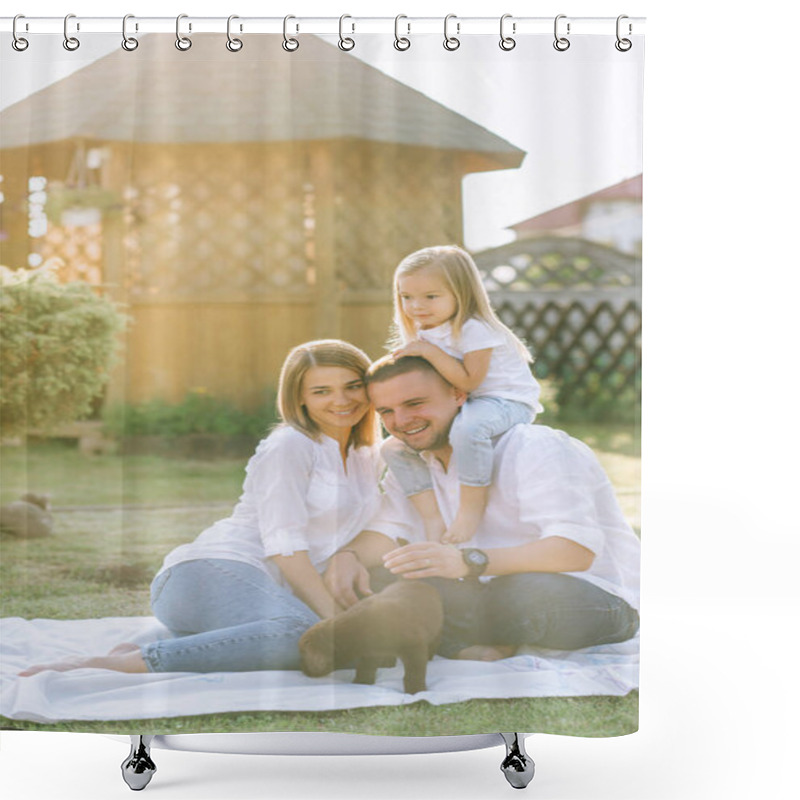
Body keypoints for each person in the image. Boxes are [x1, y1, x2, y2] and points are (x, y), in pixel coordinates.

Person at [20, 339, 383, 676]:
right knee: (307, 638)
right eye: (322, 391)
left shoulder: (367, 455)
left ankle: (150, 640)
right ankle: (116, 664)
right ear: (300, 398)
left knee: (330, 645)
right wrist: (335, 621)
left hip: (254, 591)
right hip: (209, 571)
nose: (342, 400)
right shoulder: (290, 446)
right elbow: (285, 548)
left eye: (352, 385)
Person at [323, 355, 640, 662]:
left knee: (523, 595)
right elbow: (389, 531)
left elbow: (575, 552)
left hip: (590, 595)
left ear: (458, 394)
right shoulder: (412, 462)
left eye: (415, 403)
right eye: (387, 411)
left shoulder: (533, 447)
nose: (401, 422)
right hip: (480, 591)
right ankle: (474, 638)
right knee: (379, 578)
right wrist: (347, 557)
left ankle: (449, 638)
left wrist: (467, 562)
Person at [383, 245, 543, 545]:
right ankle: (432, 518)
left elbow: (470, 381)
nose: (417, 306)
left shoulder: (475, 328)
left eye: (431, 296)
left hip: (504, 401)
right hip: (465, 403)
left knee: (468, 430)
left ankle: (470, 510)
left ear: (462, 293)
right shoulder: (424, 332)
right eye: (407, 297)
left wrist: (428, 352)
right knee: (392, 449)